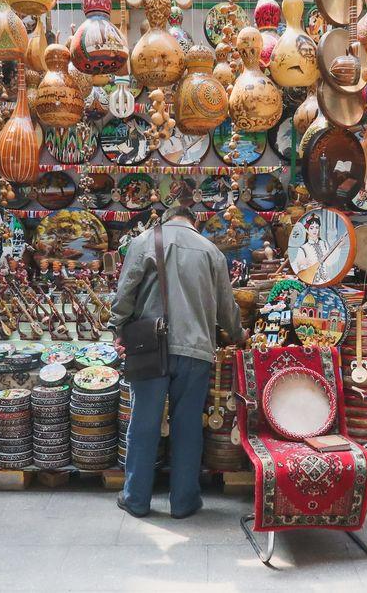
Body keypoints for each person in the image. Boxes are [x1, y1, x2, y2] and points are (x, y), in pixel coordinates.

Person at [110, 206, 245, 519]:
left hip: (149, 348)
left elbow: (125, 293)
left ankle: (136, 499)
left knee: (144, 423)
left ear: (166, 218)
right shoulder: (212, 252)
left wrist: (117, 329)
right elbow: (227, 307)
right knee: (187, 427)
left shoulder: (144, 241)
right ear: (193, 220)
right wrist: (239, 333)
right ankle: (184, 502)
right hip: (196, 351)